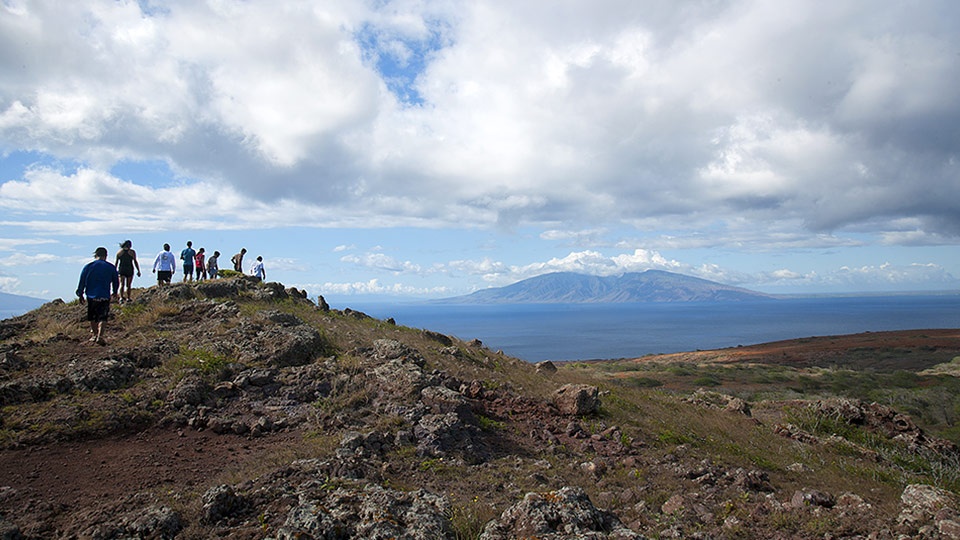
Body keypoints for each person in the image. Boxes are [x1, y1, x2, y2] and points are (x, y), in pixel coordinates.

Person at [76, 247, 119, 344]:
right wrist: (115, 292)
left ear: (95, 255)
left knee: (93, 317)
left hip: (91, 295)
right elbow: (116, 281)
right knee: (103, 317)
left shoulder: (88, 266)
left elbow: (82, 280)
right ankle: (100, 336)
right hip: (104, 294)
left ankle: (95, 335)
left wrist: (80, 293)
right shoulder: (111, 267)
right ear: (106, 255)